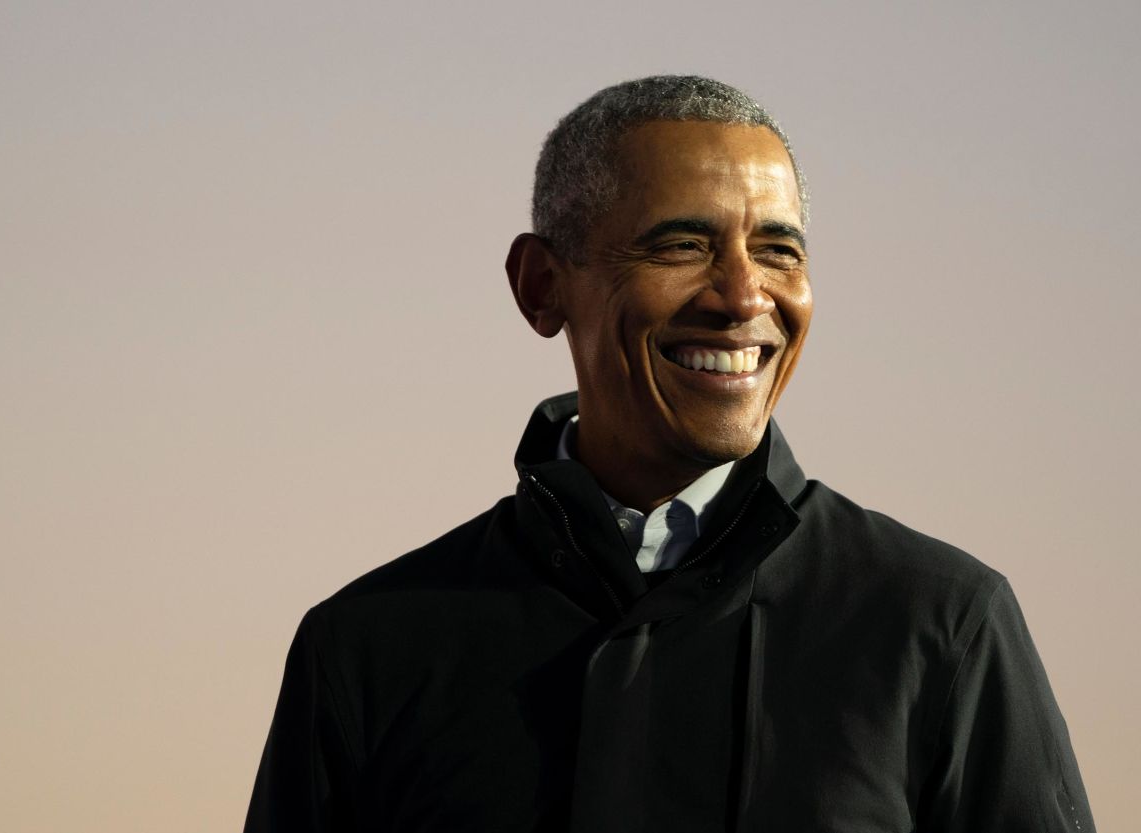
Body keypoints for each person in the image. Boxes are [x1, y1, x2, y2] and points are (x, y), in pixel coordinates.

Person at [245, 75, 1096, 833]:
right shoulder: (367, 648)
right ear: (542, 286)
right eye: (682, 245)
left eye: (778, 248)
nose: (742, 295)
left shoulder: (940, 623)